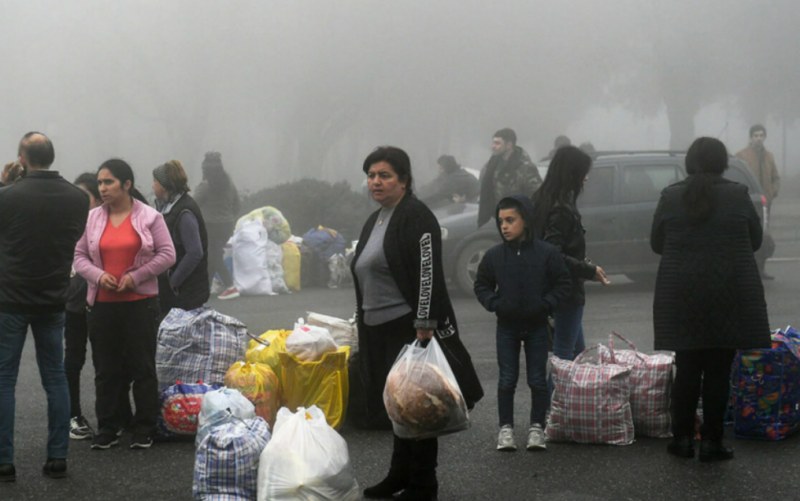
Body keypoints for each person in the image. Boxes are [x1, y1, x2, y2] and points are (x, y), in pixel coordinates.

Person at [351, 146, 483, 501]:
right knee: (398, 406)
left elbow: (429, 272)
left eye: (384, 175)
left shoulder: (416, 216)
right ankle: (399, 474)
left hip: (406, 326)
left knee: (416, 406)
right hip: (375, 325)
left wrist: (424, 321)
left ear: (404, 181)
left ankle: (424, 483)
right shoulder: (377, 218)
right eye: (371, 175)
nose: (376, 182)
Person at [651, 137, 770, 462]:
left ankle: (683, 440)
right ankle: (713, 443)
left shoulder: (671, 195)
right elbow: (756, 240)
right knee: (719, 371)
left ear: (690, 162)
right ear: (722, 162)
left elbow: (656, 243)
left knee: (687, 368)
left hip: (681, 294)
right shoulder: (737, 194)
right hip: (728, 292)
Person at [0, 132, 89, 481]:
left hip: (10, 298)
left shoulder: (8, 197)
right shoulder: (77, 198)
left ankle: (4, 460)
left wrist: (5, 183)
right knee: (54, 376)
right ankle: (57, 457)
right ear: (51, 156)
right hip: (54, 297)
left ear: (22, 159)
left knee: (5, 378)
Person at [74, 159, 175, 451]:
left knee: (141, 366)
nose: (102, 188)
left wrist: (136, 277)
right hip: (102, 304)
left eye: (108, 182)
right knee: (106, 369)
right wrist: (98, 275)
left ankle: (144, 427)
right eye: (100, 182)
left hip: (140, 304)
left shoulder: (150, 217)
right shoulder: (92, 218)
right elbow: (79, 257)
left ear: (126, 184)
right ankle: (109, 426)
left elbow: (167, 254)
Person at [474, 195, 570, 452]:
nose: (504, 226)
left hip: (538, 326)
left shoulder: (546, 253)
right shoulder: (494, 256)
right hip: (506, 327)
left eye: (510, 220)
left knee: (538, 380)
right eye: (501, 221)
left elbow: (563, 284)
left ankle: (536, 428)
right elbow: (481, 285)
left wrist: (546, 304)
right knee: (507, 380)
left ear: (525, 220)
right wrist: (495, 303)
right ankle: (505, 429)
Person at [531, 146, 609, 362]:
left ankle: (570, 395)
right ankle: (552, 396)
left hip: (549, 287)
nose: (586, 178)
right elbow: (553, 253)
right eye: (584, 172)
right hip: (565, 290)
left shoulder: (541, 200)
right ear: (573, 173)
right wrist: (588, 269)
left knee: (577, 355)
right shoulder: (561, 209)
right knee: (564, 357)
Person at [153, 160, 209, 318]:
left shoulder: (184, 211)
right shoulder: (167, 207)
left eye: (155, 181)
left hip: (186, 293)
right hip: (176, 293)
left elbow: (194, 252)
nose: (153, 185)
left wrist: (173, 282)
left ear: (164, 185)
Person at [736, 124, 780, 280]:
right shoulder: (741, 156)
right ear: (750, 137)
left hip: (765, 204)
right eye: (756, 135)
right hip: (748, 202)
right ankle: (747, 270)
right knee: (747, 236)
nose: (759, 138)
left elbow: (776, 178)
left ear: (765, 137)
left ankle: (761, 269)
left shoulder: (769, 156)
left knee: (764, 236)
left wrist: (772, 192)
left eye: (761, 135)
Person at [193, 152, 240, 299]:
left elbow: (193, 205)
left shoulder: (205, 186)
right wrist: (229, 216)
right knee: (213, 256)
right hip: (227, 226)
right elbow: (237, 204)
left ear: (204, 169)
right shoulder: (229, 183)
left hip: (210, 226)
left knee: (213, 257)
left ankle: (230, 286)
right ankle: (204, 289)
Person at [477, 128, 542, 227]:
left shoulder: (524, 167)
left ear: (509, 145)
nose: (493, 147)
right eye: (493, 143)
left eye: (497, 143)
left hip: (518, 221)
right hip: (495, 219)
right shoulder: (491, 164)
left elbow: (537, 195)